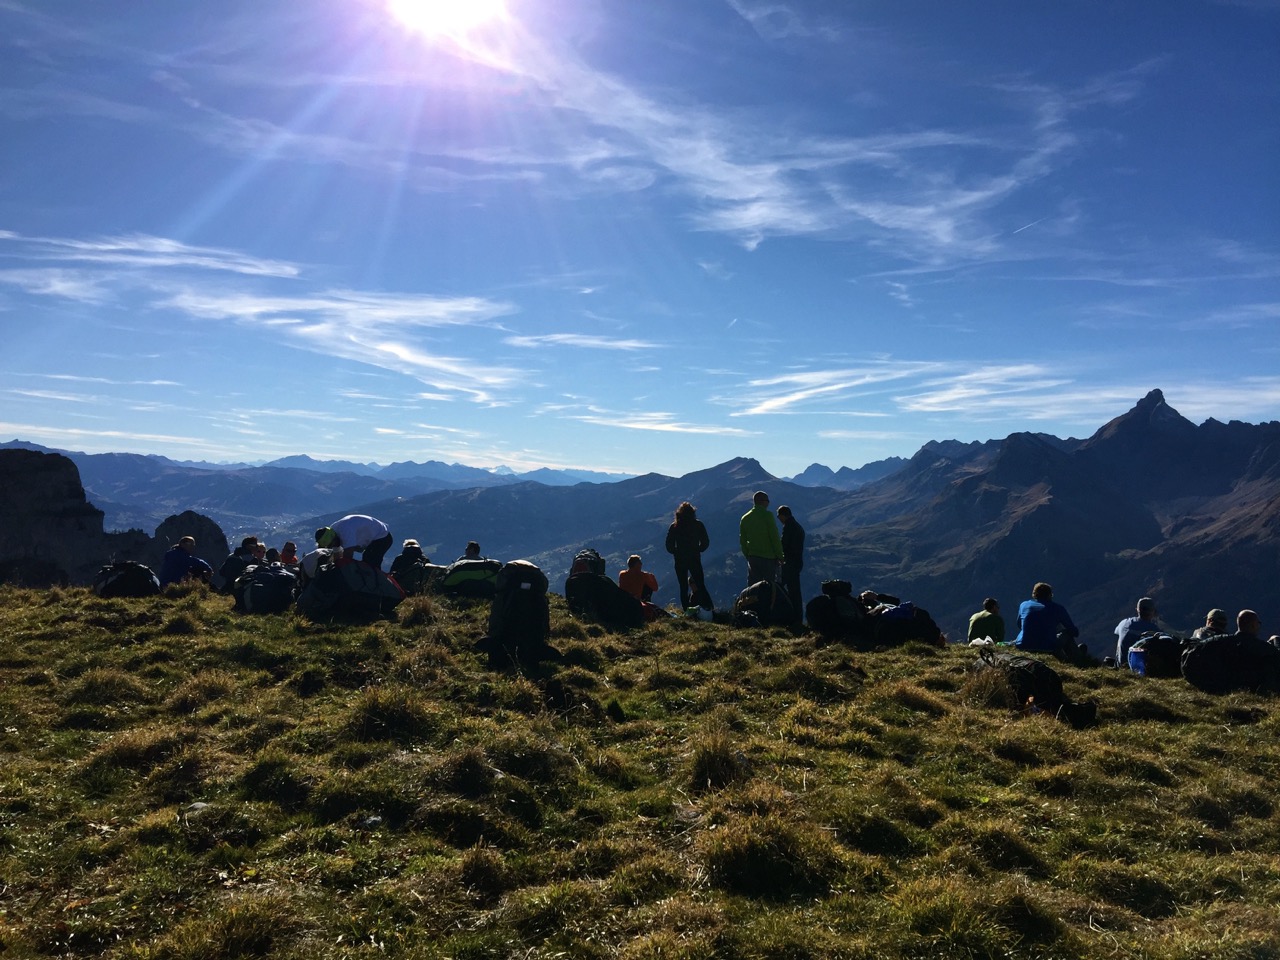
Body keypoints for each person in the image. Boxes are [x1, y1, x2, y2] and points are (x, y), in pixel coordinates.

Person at [1014, 582, 1080, 657]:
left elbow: (1019, 624)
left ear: (1034, 594)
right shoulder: (1057, 608)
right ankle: (1078, 656)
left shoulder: (1024, 605)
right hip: (1047, 647)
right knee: (1066, 633)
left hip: (1023, 645)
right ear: (1050, 595)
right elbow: (1073, 631)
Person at [665, 501, 710, 610]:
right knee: (700, 583)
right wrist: (698, 549)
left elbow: (669, 545)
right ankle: (706, 607)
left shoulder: (675, 526)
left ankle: (686, 609)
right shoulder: (698, 524)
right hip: (694, 558)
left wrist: (676, 552)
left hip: (680, 559)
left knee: (683, 586)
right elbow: (705, 542)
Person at [315, 514, 393, 571]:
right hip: (374, 536)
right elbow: (337, 555)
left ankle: (378, 584)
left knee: (370, 563)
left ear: (334, 539)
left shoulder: (345, 531)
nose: (332, 547)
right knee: (366, 563)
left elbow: (348, 556)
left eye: (331, 545)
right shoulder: (333, 533)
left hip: (382, 536)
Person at [739, 490, 783, 586]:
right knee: (769, 586)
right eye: (767, 501)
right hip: (768, 558)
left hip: (753, 557)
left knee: (753, 587)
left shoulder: (745, 518)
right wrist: (780, 555)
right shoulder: (768, 516)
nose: (768, 503)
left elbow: (742, 540)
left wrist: (748, 555)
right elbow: (774, 537)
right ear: (762, 501)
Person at [776, 504, 805, 624]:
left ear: (783, 515)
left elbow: (783, 545)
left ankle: (784, 616)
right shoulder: (797, 526)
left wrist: (778, 555)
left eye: (779, 516)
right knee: (795, 591)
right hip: (797, 562)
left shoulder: (788, 527)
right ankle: (797, 618)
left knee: (779, 588)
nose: (779, 519)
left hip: (789, 563)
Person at [1115, 597, 1160, 668]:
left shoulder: (1124, 623)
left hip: (1121, 667)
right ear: (1153, 612)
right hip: (1140, 670)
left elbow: (1117, 632)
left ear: (1137, 610)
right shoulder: (1154, 630)